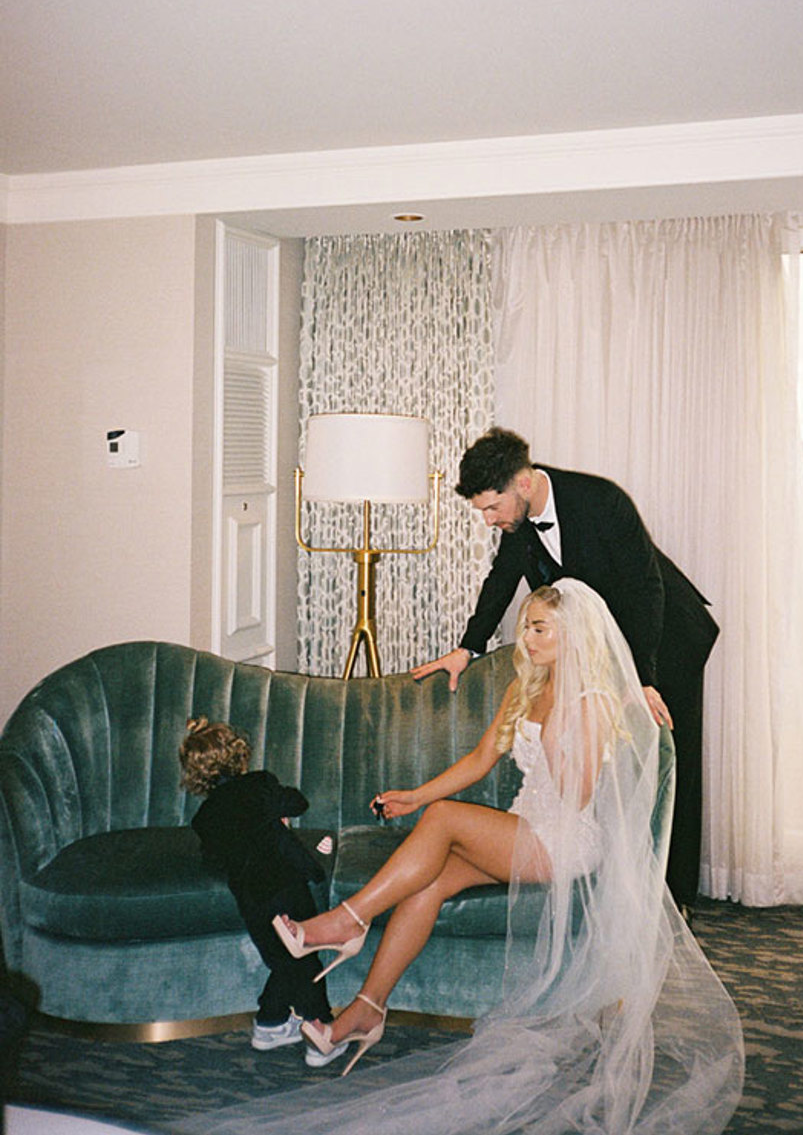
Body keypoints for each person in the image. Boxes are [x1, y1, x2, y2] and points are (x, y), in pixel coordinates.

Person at [256, 580, 742, 1135]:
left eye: (540, 629)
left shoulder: (594, 702)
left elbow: (576, 797)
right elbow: (483, 757)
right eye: (526, 626)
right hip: (523, 829)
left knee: (443, 821)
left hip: (563, 841)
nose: (527, 638)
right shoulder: (526, 687)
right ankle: (367, 1010)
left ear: (574, 635)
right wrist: (415, 795)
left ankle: (347, 922)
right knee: (427, 883)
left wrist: (561, 736)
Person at [411, 427, 718, 921]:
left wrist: (642, 677)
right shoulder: (521, 525)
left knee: (664, 760)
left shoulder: (601, 501)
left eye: (492, 508)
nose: (489, 520)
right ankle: (611, 887)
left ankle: (672, 900)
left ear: (524, 485)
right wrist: (467, 648)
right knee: (608, 764)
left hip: (666, 638)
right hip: (607, 645)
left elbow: (645, 589)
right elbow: (501, 582)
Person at [179, 717, 344, 1067]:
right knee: (302, 955)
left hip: (251, 897)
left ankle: (270, 1023)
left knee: (281, 958)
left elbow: (214, 857)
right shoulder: (259, 784)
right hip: (286, 883)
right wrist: (277, 813)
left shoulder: (205, 817)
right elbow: (298, 802)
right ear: (238, 755)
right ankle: (321, 1030)